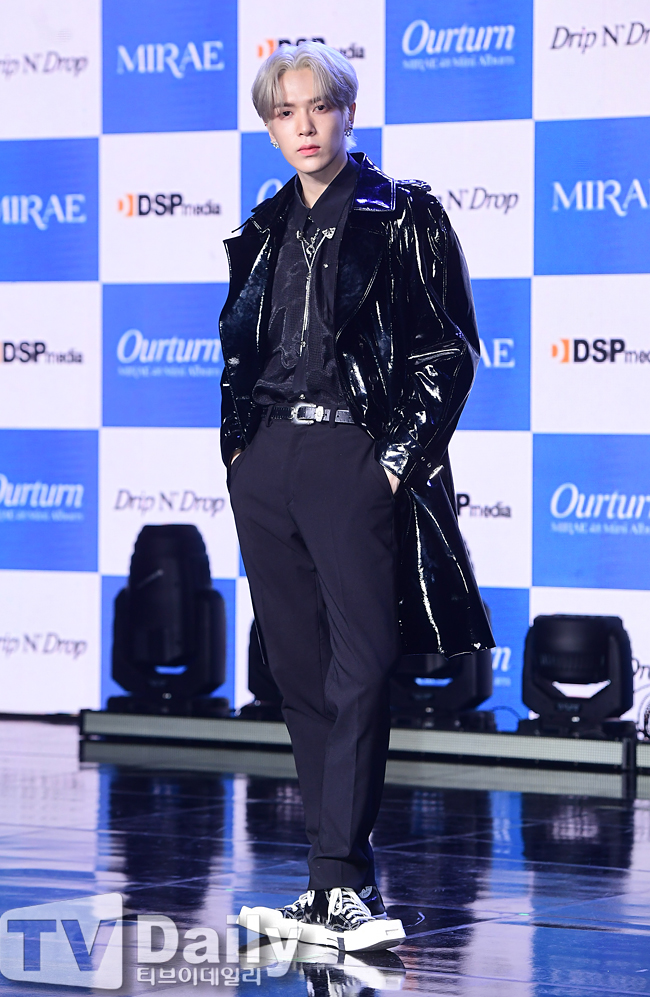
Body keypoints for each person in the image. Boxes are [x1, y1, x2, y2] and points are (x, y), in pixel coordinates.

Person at [219, 42, 493, 953]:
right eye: (284, 112)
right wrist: (241, 455)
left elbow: (447, 351)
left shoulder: (404, 212)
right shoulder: (263, 226)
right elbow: (242, 352)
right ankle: (327, 881)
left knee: (361, 667)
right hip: (269, 461)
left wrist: (392, 462)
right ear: (270, 126)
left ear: (346, 111)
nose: (303, 125)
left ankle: (345, 881)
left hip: (353, 455)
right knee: (299, 675)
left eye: (318, 107)